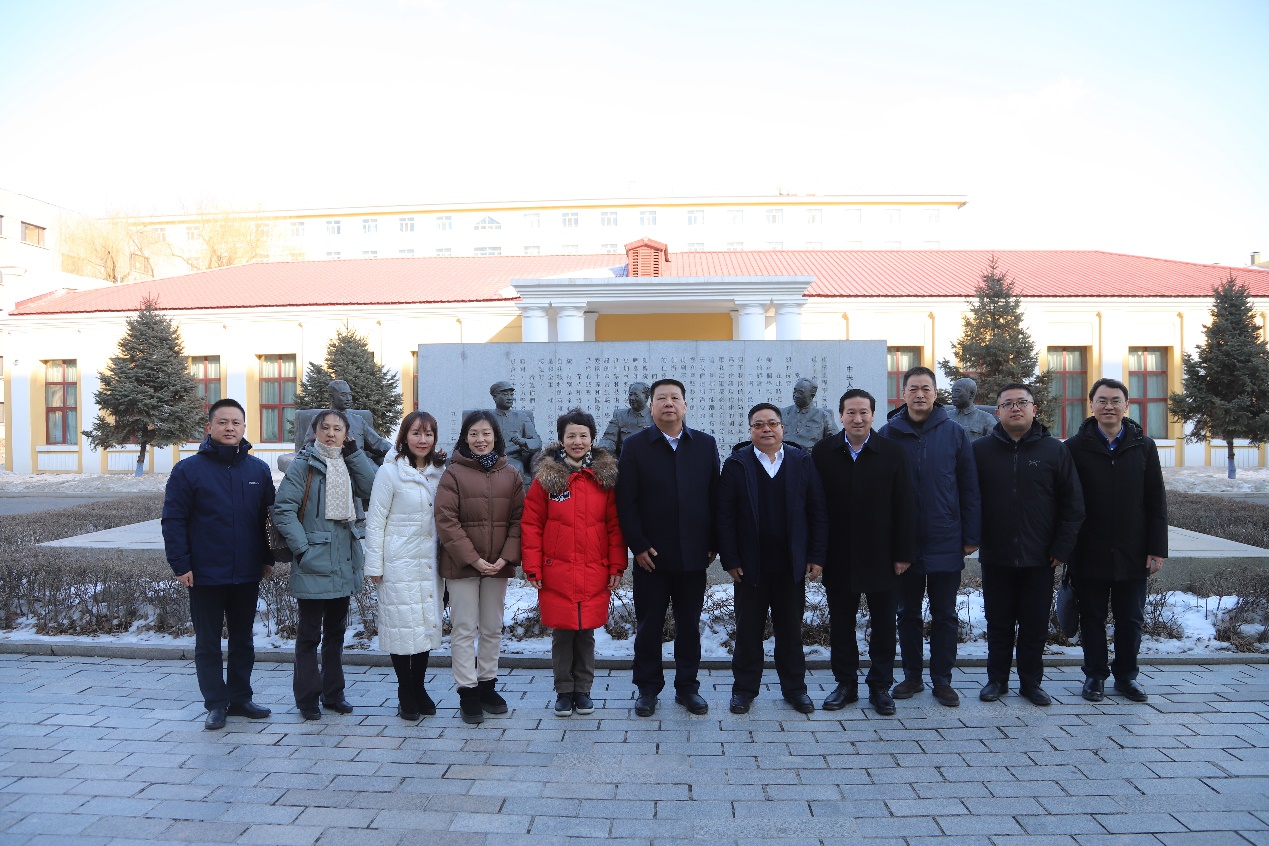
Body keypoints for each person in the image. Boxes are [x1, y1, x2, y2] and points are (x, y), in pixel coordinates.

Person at [162, 398, 275, 730]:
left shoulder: (258, 470)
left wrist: (267, 558)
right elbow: (174, 520)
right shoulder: (188, 470)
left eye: (236, 422)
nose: (229, 428)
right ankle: (215, 703)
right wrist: (181, 564)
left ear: (244, 427)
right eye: (222, 422)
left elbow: (268, 520)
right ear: (209, 427)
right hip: (204, 573)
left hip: (247, 572)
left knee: (243, 639)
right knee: (208, 642)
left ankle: (240, 698)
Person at [974, 384, 1085, 706]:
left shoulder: (1054, 450)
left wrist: (1062, 548)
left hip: (1040, 557)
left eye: (1022, 402)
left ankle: (1031, 683)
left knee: (1034, 625)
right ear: (997, 412)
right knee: (998, 623)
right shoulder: (980, 451)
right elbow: (968, 500)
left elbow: (1073, 505)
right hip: (996, 555)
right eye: (1007, 403)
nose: (1015, 408)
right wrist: (972, 539)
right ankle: (996, 680)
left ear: (1034, 409)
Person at [616, 378, 720, 717]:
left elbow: (714, 497)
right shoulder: (635, 446)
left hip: (693, 555)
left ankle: (688, 688)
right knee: (649, 626)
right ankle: (647, 689)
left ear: (685, 405)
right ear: (651, 406)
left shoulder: (704, 444)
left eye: (675, 398)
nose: (669, 403)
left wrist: (713, 542)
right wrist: (638, 545)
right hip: (651, 557)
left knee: (689, 625)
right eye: (661, 398)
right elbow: (626, 501)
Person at [879, 366, 981, 708]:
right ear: (903, 394)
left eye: (926, 388)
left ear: (936, 394)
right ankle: (912, 676)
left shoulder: (954, 433)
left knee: (944, 614)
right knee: (907, 612)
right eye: (913, 388)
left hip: (945, 537)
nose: (919, 394)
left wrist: (971, 535)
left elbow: (969, 486)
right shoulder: (889, 433)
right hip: (903, 542)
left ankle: (942, 679)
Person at [716, 403, 827, 715]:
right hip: (750, 567)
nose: (766, 429)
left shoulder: (801, 461)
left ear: (782, 428)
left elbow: (817, 511)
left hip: (791, 565)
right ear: (750, 430)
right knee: (748, 633)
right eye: (759, 424)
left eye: (772, 423)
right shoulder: (737, 464)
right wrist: (730, 558)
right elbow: (724, 516)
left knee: (790, 633)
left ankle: (795, 690)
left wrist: (816, 556)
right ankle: (743, 691)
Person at [812, 389, 916, 716]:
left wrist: (904, 552)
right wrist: (817, 554)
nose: (857, 419)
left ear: (873, 415)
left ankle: (880, 686)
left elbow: (906, 504)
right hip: (838, 555)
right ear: (840, 416)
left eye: (864, 413)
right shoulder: (823, 452)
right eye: (851, 413)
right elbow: (814, 506)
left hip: (883, 555)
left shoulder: (892, 452)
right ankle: (845, 684)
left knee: (884, 625)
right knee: (841, 624)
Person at [1066, 377, 1167, 703]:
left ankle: (1126, 676)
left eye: (1115, 401)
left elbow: (1156, 500)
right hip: (1089, 548)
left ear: (1126, 406)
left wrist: (1156, 549)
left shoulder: (1143, 446)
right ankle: (1094, 675)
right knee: (1091, 617)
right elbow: (1066, 500)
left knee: (1131, 619)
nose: (1108, 406)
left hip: (1133, 550)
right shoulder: (1073, 447)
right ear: (1091, 405)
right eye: (1102, 400)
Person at [273, 409, 378, 720]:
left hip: (343, 558)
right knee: (309, 636)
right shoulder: (303, 465)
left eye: (338, 429)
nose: (331, 434)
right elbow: (284, 510)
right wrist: (302, 549)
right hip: (314, 560)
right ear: (315, 432)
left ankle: (333, 694)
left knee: (335, 634)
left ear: (346, 434)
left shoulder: (349, 462)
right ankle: (307, 698)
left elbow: (372, 489)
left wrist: (355, 454)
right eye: (326, 428)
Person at [522, 409, 626, 717]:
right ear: (561, 440)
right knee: (562, 633)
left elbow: (614, 526)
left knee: (586, 634)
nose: (577, 441)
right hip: (557, 569)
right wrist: (533, 566)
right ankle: (564, 692)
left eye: (583, 435)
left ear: (592, 438)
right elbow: (532, 524)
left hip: (594, 568)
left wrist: (616, 566)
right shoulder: (547, 479)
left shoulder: (604, 479)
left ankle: (584, 690)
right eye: (571, 436)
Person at [435, 410, 526, 724]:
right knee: (463, 628)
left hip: (497, 564)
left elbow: (519, 520)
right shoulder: (453, 473)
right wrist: (473, 558)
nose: (480, 439)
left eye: (486, 433)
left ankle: (487, 684)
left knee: (491, 627)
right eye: (474, 434)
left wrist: (506, 557)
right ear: (465, 437)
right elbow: (446, 520)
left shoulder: (511, 474)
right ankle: (467, 691)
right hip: (462, 564)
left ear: (495, 437)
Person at [364, 411, 447, 721]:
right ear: (404, 437)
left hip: (429, 564)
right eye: (416, 433)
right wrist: (375, 565)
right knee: (401, 628)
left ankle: (419, 687)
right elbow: (375, 521)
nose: (422, 440)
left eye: (428, 434)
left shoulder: (440, 473)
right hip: (398, 563)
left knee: (424, 627)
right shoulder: (389, 472)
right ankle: (405, 691)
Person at [489, 381, 542, 486]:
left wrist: (523, 441)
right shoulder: (487, 417)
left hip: (514, 457)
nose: (509, 398)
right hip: (491, 457)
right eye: (505, 395)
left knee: (517, 466)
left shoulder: (522, 417)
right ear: (494, 397)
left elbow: (537, 442)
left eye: (511, 394)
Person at [781, 378, 839, 449]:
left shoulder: (824, 416)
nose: (796, 395)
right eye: (795, 391)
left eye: (800, 393)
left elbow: (836, 441)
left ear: (812, 395)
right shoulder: (783, 413)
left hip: (811, 454)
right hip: (785, 454)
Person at [598, 382, 652, 456]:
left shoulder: (655, 416)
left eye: (636, 395)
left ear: (646, 397)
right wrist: (603, 450)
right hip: (626, 459)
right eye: (630, 395)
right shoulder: (620, 416)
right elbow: (609, 438)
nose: (632, 398)